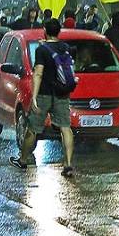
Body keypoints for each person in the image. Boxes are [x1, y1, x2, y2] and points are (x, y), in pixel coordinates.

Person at [10, 18, 77, 177]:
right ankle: (68, 164)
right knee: (65, 128)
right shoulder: (65, 48)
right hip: (62, 94)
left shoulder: (42, 50)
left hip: (44, 94)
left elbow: (38, 73)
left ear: (45, 30)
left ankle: (23, 160)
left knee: (32, 129)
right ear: (59, 31)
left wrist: (34, 96)